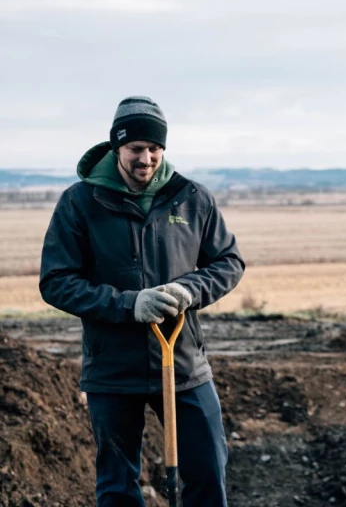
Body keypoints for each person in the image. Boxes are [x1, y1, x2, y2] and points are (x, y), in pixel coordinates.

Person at [39, 96, 244, 506]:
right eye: (136, 149)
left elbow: (228, 262)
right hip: (112, 369)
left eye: (154, 148)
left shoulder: (192, 198)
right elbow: (56, 281)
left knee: (207, 471)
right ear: (117, 148)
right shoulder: (80, 202)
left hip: (183, 363)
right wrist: (129, 305)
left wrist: (191, 290)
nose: (146, 158)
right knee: (117, 485)